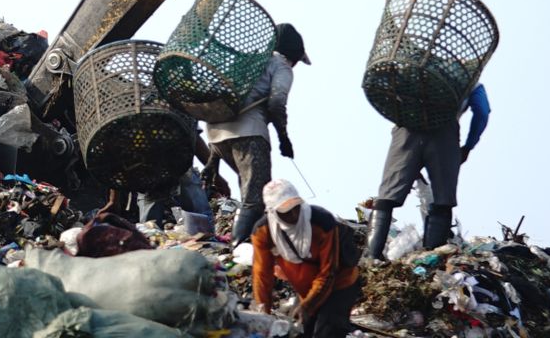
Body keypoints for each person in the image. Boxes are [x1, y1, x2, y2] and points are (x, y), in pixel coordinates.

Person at [202, 23, 309, 243]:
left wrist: (213, 160)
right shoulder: (282, 66)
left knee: (250, 194)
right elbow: (277, 102)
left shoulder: (248, 61)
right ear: (294, 55)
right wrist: (283, 138)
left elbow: (226, 101)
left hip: (215, 134)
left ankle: (253, 244)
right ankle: (236, 247)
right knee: (257, 199)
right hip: (249, 135)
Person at [365, 82, 491, 258]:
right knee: (443, 202)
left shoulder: (413, 74)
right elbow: (482, 112)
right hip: (445, 135)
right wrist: (468, 146)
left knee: (387, 197)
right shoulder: (470, 81)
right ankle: (429, 257)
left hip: (407, 128)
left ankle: (373, 257)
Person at [252, 179, 361, 338]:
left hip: (340, 284)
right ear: (273, 212)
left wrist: (307, 306)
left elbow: (328, 272)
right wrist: (263, 314)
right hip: (307, 289)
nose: (294, 214)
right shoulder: (263, 231)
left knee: (327, 332)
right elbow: (262, 275)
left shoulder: (322, 222)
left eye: (296, 207)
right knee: (297, 333)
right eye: (286, 211)